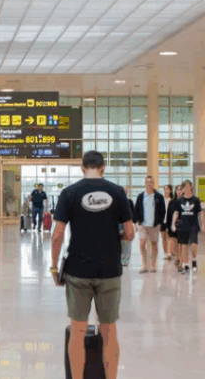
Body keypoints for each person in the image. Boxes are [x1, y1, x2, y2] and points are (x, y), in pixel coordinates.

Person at [51, 151, 134, 379]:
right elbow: (130, 233)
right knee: (109, 331)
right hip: (109, 271)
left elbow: (57, 235)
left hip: (78, 271)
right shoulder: (117, 192)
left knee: (77, 330)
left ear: (82, 168)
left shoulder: (69, 193)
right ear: (103, 168)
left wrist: (54, 267)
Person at [133, 175, 166, 273]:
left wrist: (159, 222)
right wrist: (137, 221)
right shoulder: (141, 196)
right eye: (147, 182)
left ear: (153, 183)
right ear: (145, 183)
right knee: (142, 243)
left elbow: (162, 211)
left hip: (154, 225)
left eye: (151, 182)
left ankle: (153, 265)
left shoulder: (159, 197)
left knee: (154, 244)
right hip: (142, 224)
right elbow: (136, 209)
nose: (149, 184)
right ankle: (144, 265)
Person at [171, 180, 203, 273]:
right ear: (183, 189)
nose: (187, 189)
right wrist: (173, 224)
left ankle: (193, 260)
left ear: (191, 188)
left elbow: (201, 213)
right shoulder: (179, 200)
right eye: (185, 187)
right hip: (182, 226)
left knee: (193, 245)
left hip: (193, 226)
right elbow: (176, 213)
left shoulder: (196, 200)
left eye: (188, 187)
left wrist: (203, 224)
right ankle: (185, 265)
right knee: (183, 246)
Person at [161, 184, 176, 263]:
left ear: (170, 190)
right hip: (162, 221)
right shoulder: (161, 199)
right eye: (165, 189)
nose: (166, 190)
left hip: (169, 221)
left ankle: (169, 253)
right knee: (163, 238)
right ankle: (165, 253)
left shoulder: (172, 200)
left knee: (169, 237)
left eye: (167, 189)